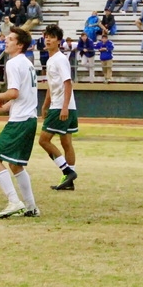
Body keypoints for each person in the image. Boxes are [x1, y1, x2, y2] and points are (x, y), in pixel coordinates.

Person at [0, 27, 41, 218]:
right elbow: (20, 97)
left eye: (11, 39)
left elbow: (13, 92)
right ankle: (31, 207)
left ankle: (14, 202)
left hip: (20, 121)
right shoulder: (28, 63)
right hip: (29, 118)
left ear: (20, 45)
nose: (6, 41)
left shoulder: (14, 63)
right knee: (16, 165)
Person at [36, 25, 80, 192]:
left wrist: (64, 107)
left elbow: (67, 83)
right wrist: (45, 104)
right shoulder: (51, 60)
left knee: (43, 140)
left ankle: (67, 171)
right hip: (62, 105)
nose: (48, 39)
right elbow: (51, 85)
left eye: (52, 37)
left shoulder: (60, 59)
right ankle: (69, 180)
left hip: (62, 106)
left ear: (59, 41)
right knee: (66, 142)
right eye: (46, 36)